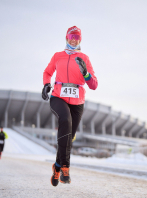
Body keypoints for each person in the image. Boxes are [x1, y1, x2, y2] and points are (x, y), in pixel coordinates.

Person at [42, 26, 98, 187]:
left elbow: (94, 85)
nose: (74, 39)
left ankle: (57, 166)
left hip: (77, 102)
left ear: (80, 39)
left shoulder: (84, 58)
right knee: (65, 121)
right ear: (66, 37)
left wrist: (85, 73)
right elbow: (47, 72)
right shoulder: (57, 56)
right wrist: (46, 85)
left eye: (77, 37)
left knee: (69, 137)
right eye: (71, 36)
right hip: (58, 97)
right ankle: (65, 168)